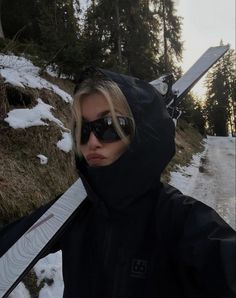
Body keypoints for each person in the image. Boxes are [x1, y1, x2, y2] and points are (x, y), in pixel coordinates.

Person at [0, 66, 236, 298]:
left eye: (109, 126)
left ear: (140, 134)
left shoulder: (182, 221)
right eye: (83, 130)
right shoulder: (70, 212)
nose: (91, 142)